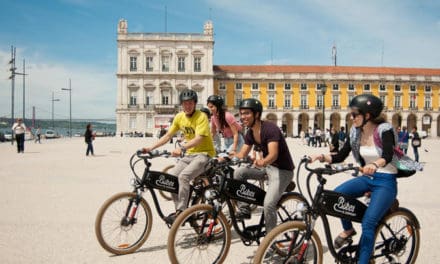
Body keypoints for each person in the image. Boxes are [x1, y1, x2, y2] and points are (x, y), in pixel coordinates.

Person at [310, 94, 398, 264]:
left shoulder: (384, 130)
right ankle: (349, 230)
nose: (351, 117)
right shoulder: (355, 132)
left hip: (385, 181)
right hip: (367, 177)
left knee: (368, 224)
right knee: (337, 197)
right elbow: (341, 155)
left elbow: (388, 154)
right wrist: (320, 156)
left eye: (354, 114)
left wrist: (376, 164)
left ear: (367, 115)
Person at [142, 89, 216, 224]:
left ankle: (182, 212)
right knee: (172, 178)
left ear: (195, 103)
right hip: (189, 155)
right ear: (181, 104)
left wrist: (181, 148)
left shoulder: (201, 117)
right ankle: (179, 210)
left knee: (184, 177)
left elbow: (199, 138)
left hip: (204, 154)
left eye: (190, 103)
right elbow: (168, 135)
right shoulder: (179, 117)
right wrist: (150, 148)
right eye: (185, 103)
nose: (187, 106)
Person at [233, 98, 295, 233]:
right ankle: (244, 208)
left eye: (247, 113)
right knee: (238, 173)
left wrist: (263, 162)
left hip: (283, 170)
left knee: (268, 205)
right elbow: (242, 153)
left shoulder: (270, 128)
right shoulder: (250, 132)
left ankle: (271, 240)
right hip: (268, 169)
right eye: (241, 113)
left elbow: (273, 155)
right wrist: (225, 158)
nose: (243, 116)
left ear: (256, 114)